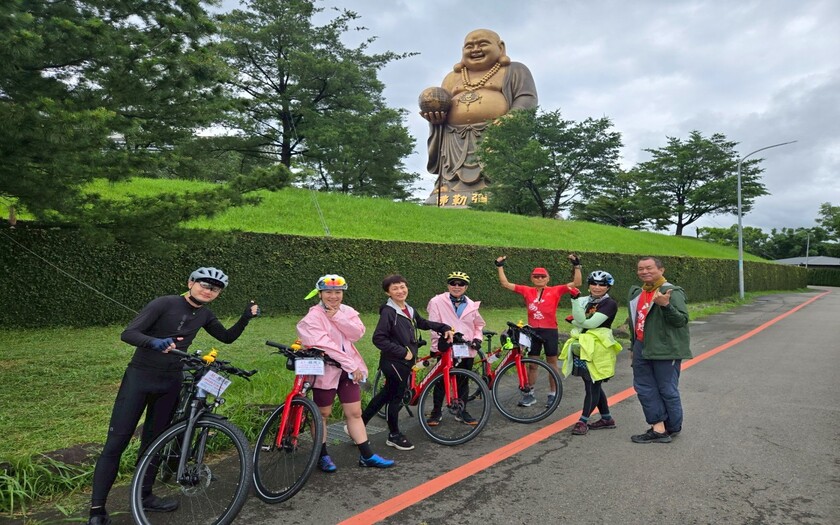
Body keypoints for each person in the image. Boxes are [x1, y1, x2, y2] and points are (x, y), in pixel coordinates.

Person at [87, 267, 260, 525]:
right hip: (140, 378)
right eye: (204, 285)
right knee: (116, 443)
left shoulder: (205, 314)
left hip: (170, 381)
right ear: (191, 283)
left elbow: (226, 337)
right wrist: (153, 342)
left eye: (215, 289)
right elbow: (129, 333)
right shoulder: (164, 303)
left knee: (155, 442)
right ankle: (97, 509)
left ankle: (144, 495)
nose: (208, 291)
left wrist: (245, 318)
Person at [422, 28, 537, 198]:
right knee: (450, 170)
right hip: (454, 137)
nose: (475, 49)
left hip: (496, 131)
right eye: (469, 46)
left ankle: (498, 190)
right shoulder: (452, 77)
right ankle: (448, 186)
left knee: (498, 166)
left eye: (483, 44)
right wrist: (436, 118)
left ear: (501, 47)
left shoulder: (514, 70)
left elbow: (526, 97)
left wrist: (512, 117)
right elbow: (443, 103)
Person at [296, 274, 395, 471]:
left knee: (355, 412)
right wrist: (351, 365)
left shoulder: (347, 311)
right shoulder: (312, 317)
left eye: (338, 292)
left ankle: (367, 455)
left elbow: (357, 334)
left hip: (348, 372)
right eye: (328, 292)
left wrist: (337, 317)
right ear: (319, 293)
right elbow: (326, 346)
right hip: (327, 370)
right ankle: (322, 455)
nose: (333, 296)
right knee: (322, 414)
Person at [361, 274, 454, 451]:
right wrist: (403, 352)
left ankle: (358, 426)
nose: (400, 291)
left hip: (402, 362)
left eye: (402, 287)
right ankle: (394, 435)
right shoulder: (389, 312)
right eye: (395, 288)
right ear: (388, 292)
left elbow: (422, 323)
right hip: (394, 362)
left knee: (385, 395)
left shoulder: (407, 309)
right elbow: (378, 338)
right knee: (395, 398)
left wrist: (444, 327)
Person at [495, 254, 582, 408]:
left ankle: (553, 394)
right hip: (533, 331)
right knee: (532, 364)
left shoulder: (556, 290)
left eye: (543, 276)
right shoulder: (527, 290)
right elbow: (505, 284)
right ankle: (529, 394)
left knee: (552, 364)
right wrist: (499, 266)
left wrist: (576, 266)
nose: (539, 279)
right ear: (532, 278)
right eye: (536, 276)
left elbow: (577, 283)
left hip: (550, 331)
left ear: (548, 278)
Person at [627, 256, 691, 444]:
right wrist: (633, 345)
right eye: (640, 269)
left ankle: (673, 426)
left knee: (667, 389)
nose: (644, 272)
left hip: (665, 348)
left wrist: (666, 305)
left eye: (649, 268)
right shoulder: (638, 293)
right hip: (641, 345)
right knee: (644, 387)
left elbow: (681, 320)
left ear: (661, 270)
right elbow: (636, 322)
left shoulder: (671, 291)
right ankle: (659, 428)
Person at [559, 270, 623, 435]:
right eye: (594, 283)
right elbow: (581, 320)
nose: (597, 287)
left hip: (599, 348)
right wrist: (576, 306)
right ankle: (607, 418)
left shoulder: (610, 304)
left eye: (602, 284)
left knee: (593, 384)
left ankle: (583, 421)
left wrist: (574, 320)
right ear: (588, 285)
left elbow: (590, 324)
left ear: (608, 287)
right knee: (591, 383)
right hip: (584, 346)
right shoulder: (584, 300)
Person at [425, 271, 486, 426]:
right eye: (453, 283)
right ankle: (436, 412)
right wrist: (436, 347)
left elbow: (478, 325)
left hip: (465, 347)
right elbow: (433, 325)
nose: (456, 286)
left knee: (463, 381)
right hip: (446, 347)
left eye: (461, 284)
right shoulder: (437, 301)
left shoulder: (471, 305)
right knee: (441, 381)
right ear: (448, 285)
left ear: (466, 287)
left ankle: (461, 412)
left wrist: (477, 339)